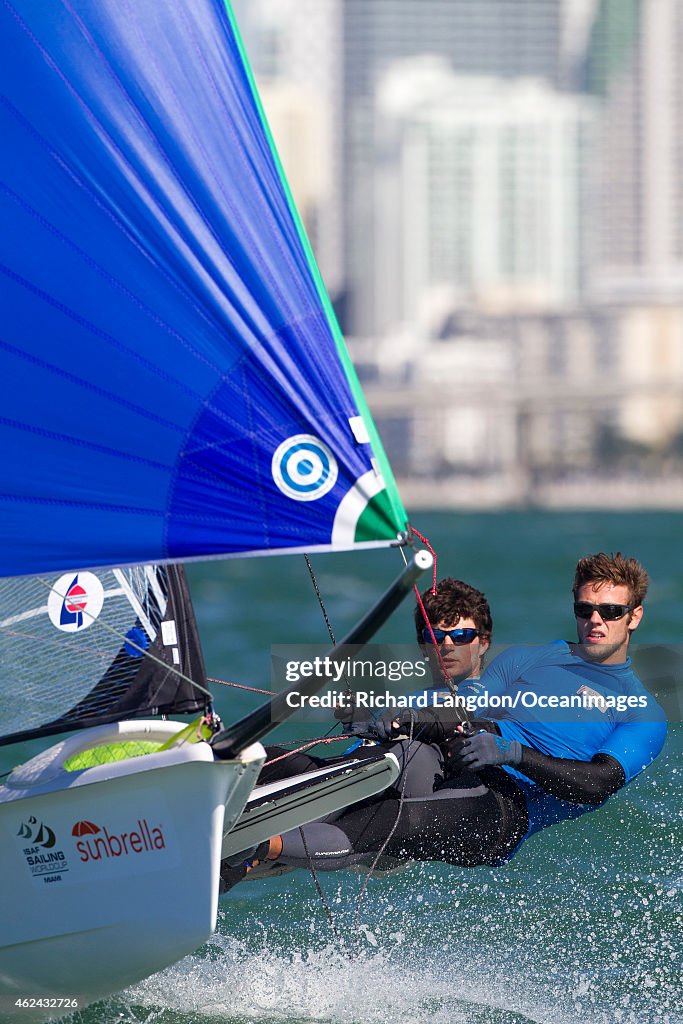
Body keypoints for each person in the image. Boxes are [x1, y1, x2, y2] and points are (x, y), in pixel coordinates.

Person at [222, 553, 666, 884]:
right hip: (453, 764)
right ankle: (211, 785)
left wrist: (515, 755)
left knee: (385, 817)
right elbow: (466, 701)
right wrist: (389, 717)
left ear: (634, 616)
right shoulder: (533, 659)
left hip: (505, 809)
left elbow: (597, 784)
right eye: (585, 609)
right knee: (296, 763)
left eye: (610, 611)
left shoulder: (643, 713)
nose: (595, 620)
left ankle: (249, 850)